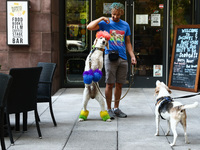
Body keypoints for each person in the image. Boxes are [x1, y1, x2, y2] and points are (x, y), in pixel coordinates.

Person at [87, 2, 137, 119]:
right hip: (110, 57)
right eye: (113, 14)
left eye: (118, 15)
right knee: (109, 84)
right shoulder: (106, 23)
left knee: (119, 84)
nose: (115, 17)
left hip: (123, 58)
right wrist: (101, 18)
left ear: (121, 14)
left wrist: (132, 56)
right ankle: (108, 109)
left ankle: (116, 108)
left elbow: (128, 42)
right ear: (111, 13)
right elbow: (89, 27)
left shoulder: (125, 25)